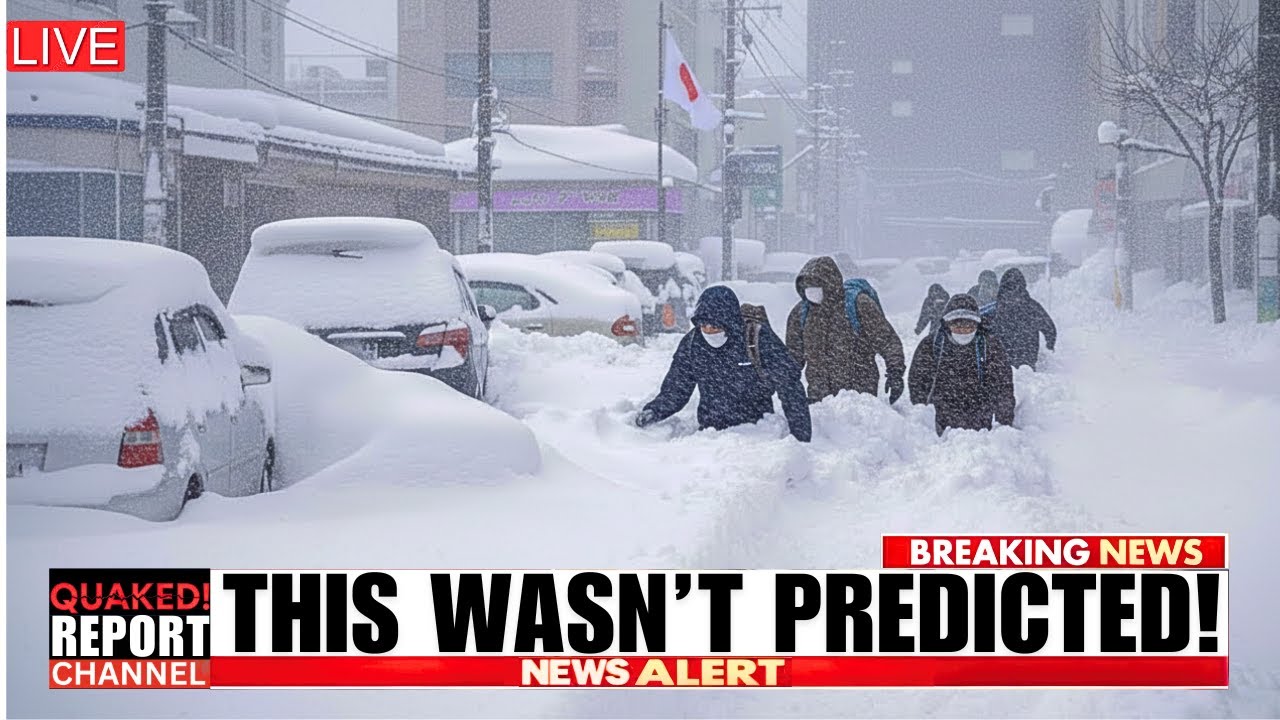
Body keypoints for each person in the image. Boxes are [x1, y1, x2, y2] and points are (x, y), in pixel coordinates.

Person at [635, 286, 811, 442]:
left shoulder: (757, 339)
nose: (709, 331)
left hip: (759, 434)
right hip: (711, 437)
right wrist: (654, 411)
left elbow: (789, 386)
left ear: (730, 323)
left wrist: (801, 436)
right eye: (704, 326)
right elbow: (676, 389)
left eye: (715, 326)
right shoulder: (692, 344)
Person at [785, 256, 906, 404]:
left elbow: (887, 340)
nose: (811, 294)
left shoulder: (858, 304)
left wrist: (895, 372)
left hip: (860, 397)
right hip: (819, 398)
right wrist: (786, 382)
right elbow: (793, 356)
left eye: (816, 289)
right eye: (807, 290)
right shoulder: (801, 313)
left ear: (829, 285)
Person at [908, 294, 1015, 436]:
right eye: (957, 324)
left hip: (982, 423)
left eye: (969, 324)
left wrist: (1003, 423)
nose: (963, 329)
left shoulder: (990, 345)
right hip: (941, 421)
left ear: (977, 324)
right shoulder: (931, 345)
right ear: (947, 324)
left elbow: (1003, 385)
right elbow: (918, 381)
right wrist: (923, 419)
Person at [986, 267, 1057, 370]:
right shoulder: (1032, 306)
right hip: (1027, 357)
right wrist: (1050, 345)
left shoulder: (997, 307)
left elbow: (984, 326)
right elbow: (1049, 327)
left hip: (1001, 358)